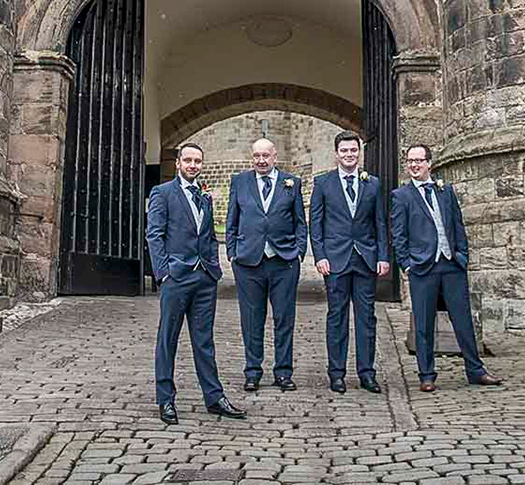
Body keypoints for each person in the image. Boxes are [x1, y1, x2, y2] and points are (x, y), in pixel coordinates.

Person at [389, 143, 503, 393]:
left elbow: (457, 225)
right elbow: (398, 235)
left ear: (430, 163)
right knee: (424, 323)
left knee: (463, 321)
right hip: (422, 267)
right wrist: (407, 264)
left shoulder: (446, 191)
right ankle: (426, 374)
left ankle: (476, 370)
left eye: (419, 160)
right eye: (410, 161)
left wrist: (462, 256)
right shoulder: (401, 196)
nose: (414, 165)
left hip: (451, 265)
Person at [146, 142, 246, 424]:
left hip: (204, 279)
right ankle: (166, 400)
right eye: (188, 160)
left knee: (204, 341)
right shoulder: (162, 193)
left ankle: (214, 398)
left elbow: (210, 235)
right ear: (178, 163)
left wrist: (213, 267)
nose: (193, 165)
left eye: (197, 161)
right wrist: (163, 273)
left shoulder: (205, 197)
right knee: (168, 339)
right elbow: (154, 235)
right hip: (176, 278)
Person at [306, 130, 389, 394]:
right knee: (336, 317)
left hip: (365, 259)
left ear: (359, 152)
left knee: (367, 318)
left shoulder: (372, 184)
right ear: (336, 153)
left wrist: (383, 256)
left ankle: (367, 373)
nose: (349, 155)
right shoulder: (323, 184)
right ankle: (337, 373)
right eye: (344, 151)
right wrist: (319, 256)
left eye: (353, 150)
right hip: (335, 260)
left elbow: (380, 223)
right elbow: (315, 224)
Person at [225, 137, 306, 392]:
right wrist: (232, 252)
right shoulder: (240, 182)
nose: (261, 160)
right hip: (249, 262)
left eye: (265, 156)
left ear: (275, 157)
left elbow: (299, 222)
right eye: (256, 156)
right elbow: (232, 220)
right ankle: (252, 371)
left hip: (284, 262)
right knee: (251, 319)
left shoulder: (291, 183)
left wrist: (299, 252)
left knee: (284, 318)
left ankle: (283, 372)